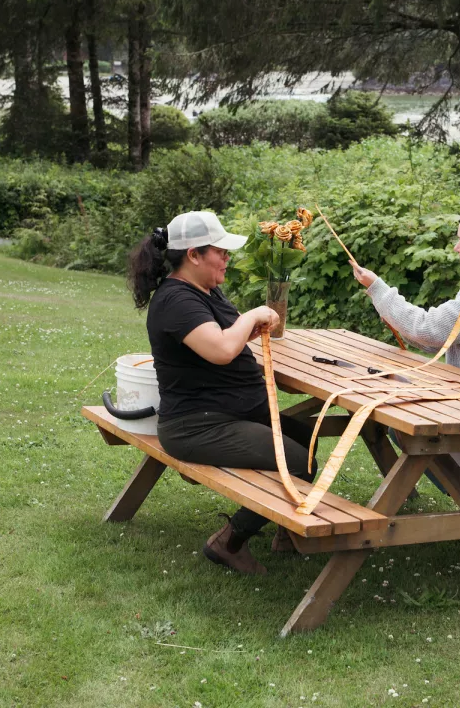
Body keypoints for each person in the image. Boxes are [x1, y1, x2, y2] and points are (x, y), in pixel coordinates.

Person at [127, 210, 317, 576]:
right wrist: (251, 316)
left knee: (304, 439)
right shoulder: (175, 301)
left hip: (226, 414)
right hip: (196, 426)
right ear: (194, 255)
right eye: (220, 252)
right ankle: (228, 543)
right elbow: (220, 350)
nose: (227, 258)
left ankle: (284, 531)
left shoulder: (204, 291)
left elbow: (220, 341)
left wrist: (249, 326)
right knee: (297, 462)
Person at [350, 208, 460, 382]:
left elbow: (427, 329)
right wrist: (394, 317)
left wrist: (377, 288)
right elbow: (439, 340)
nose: (456, 248)